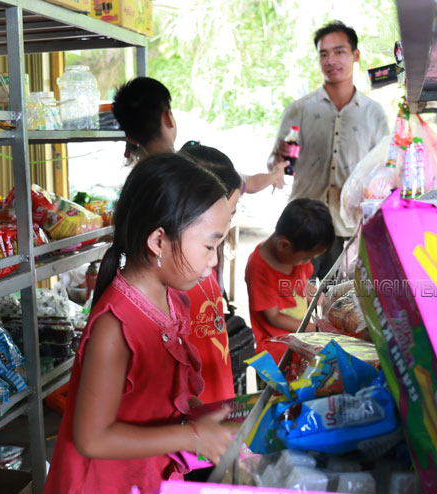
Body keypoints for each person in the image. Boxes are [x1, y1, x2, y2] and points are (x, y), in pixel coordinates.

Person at [43, 153, 238, 494]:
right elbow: (93, 439)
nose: (214, 260)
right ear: (158, 240)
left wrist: (214, 415)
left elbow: (155, 400)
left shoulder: (171, 298)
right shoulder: (115, 326)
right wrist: (191, 437)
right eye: (210, 246)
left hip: (138, 487)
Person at [270, 20, 390, 280]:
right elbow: (274, 164)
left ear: (355, 55)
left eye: (339, 52)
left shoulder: (374, 113)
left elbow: (385, 172)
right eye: (323, 54)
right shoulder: (299, 109)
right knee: (297, 301)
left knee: (341, 303)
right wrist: (277, 160)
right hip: (302, 224)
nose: (330, 60)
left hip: (350, 228)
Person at [113, 77, 288, 193]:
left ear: (130, 137)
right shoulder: (196, 167)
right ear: (168, 117)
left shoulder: (134, 183)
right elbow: (250, 184)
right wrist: (275, 174)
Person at [176, 142, 243, 404]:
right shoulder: (175, 280)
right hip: (195, 410)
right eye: (231, 212)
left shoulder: (204, 262)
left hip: (217, 396)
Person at [245, 198, 335, 364]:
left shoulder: (293, 256)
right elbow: (274, 317)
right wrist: (316, 329)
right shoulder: (259, 268)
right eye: (304, 259)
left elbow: (301, 285)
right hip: (277, 350)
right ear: (283, 245)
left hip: (300, 338)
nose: (305, 263)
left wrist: (327, 302)